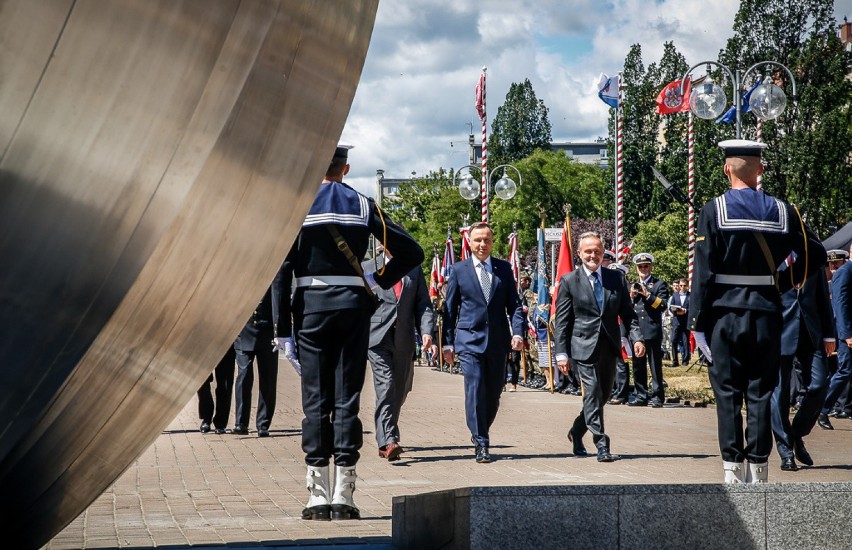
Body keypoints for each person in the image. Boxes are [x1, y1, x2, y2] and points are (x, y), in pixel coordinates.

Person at [279, 145, 423, 521]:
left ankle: (316, 493)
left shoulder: (297, 204)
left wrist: (282, 329)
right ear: (346, 168)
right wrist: (378, 279)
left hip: (310, 308)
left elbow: (281, 270)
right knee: (347, 398)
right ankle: (345, 492)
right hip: (353, 308)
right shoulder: (364, 205)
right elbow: (412, 252)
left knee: (315, 399)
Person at [688, 139, 826, 484]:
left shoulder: (713, 210)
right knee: (761, 391)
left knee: (728, 393)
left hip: (724, 315)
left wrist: (697, 323)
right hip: (766, 312)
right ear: (760, 169)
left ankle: (733, 470)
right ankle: (759, 468)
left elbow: (702, 274)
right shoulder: (784, 212)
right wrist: (779, 282)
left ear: (726, 168)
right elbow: (817, 255)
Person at [554, 232, 645, 463]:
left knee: (602, 395)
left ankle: (576, 431)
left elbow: (628, 314)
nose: (593, 255)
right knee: (592, 392)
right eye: (588, 251)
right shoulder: (569, 281)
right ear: (579, 253)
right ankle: (601, 443)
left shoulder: (616, 279)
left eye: (597, 251)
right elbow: (563, 322)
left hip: (609, 346)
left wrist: (637, 339)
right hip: (582, 346)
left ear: (603, 252)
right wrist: (561, 354)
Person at [442, 222, 526, 464]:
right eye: (478, 240)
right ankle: (481, 441)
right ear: (469, 242)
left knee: (494, 393)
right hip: (469, 340)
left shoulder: (504, 269)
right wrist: (448, 343)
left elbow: (515, 306)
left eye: (487, 240)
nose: (482, 244)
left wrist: (518, 332)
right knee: (475, 386)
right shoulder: (459, 270)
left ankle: (480, 428)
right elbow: (450, 310)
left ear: (492, 242)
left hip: (498, 341)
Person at [363, 246, 435, 462]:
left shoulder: (413, 269)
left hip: (404, 337)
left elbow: (423, 304)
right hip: (377, 337)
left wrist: (426, 332)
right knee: (386, 385)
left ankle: (387, 432)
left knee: (401, 388)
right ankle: (388, 441)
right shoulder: (369, 267)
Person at [770, 266, 834, 471]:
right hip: (779, 333)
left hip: (810, 332)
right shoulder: (773, 256)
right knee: (779, 393)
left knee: (820, 384)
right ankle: (785, 451)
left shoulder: (810, 256)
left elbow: (823, 298)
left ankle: (796, 433)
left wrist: (829, 335)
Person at [233, 271, 285, 438]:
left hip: (267, 331)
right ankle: (241, 423)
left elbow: (279, 301)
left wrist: (280, 331)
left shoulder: (273, 274)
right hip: (244, 331)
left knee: (268, 379)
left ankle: (263, 423)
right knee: (244, 375)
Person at [626, 253, 670, 408]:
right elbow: (626, 309)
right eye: (640, 267)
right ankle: (641, 395)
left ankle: (658, 396)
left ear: (650, 267)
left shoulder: (659, 284)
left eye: (646, 266)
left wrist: (647, 295)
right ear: (636, 269)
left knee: (654, 365)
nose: (643, 269)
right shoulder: (631, 285)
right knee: (638, 365)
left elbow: (663, 305)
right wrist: (631, 296)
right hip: (637, 331)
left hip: (652, 329)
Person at [818, 248, 852, 430]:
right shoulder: (845, 272)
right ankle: (822, 408)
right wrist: (847, 334)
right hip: (847, 332)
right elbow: (840, 305)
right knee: (845, 370)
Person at [197, 347, 236, 434]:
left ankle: (221, 422)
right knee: (201, 381)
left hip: (226, 342)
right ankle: (206, 417)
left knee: (225, 383)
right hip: (203, 343)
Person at [668, 278, 691, 367]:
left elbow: (693, 308)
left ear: (687, 286)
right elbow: (670, 307)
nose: (682, 287)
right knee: (673, 340)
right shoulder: (675, 295)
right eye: (680, 285)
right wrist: (676, 311)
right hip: (676, 320)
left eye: (684, 286)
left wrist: (685, 310)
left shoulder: (690, 296)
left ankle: (685, 360)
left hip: (686, 321)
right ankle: (675, 361)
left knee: (685, 340)